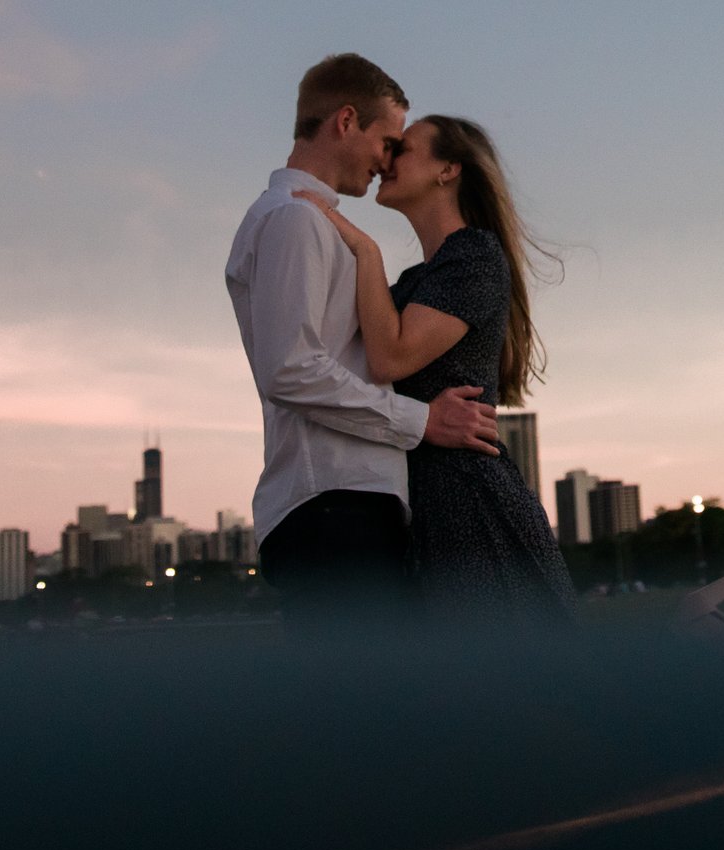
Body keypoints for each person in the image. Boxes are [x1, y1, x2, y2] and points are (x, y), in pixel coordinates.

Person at [226, 53, 502, 631]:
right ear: (346, 121)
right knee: (371, 709)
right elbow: (291, 371)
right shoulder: (295, 221)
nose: (387, 160)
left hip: (345, 507)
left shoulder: (314, 223)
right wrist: (422, 421)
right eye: (387, 141)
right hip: (331, 507)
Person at [296, 113, 578, 628]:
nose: (386, 160)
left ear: (448, 170)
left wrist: (365, 249)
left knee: (511, 689)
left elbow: (389, 358)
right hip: (420, 502)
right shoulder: (415, 281)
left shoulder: (474, 256)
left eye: (402, 148)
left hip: (468, 502)